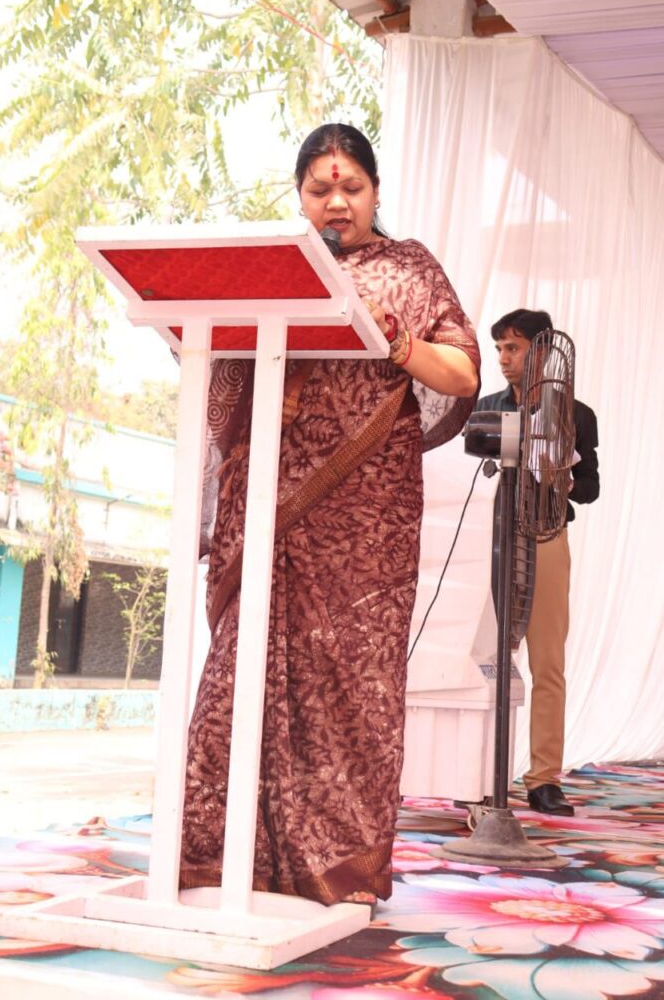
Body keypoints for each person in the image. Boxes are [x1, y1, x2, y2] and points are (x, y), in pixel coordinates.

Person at [180, 123, 480, 905]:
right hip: (266, 500)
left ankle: (338, 868)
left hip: (363, 516)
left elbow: (460, 372)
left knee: (351, 681)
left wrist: (398, 343)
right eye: (320, 189)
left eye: (351, 188)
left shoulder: (409, 269)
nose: (336, 202)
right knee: (240, 669)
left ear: (376, 191)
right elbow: (219, 360)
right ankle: (217, 856)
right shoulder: (276, 271)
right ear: (300, 196)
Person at [476, 309, 599, 817]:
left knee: (548, 661)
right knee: (487, 660)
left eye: (514, 347)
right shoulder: (485, 408)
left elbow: (590, 487)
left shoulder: (576, 414)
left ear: (544, 352)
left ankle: (544, 779)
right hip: (491, 539)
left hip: (547, 536)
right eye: (499, 349)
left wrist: (563, 477)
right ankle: (480, 774)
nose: (504, 358)